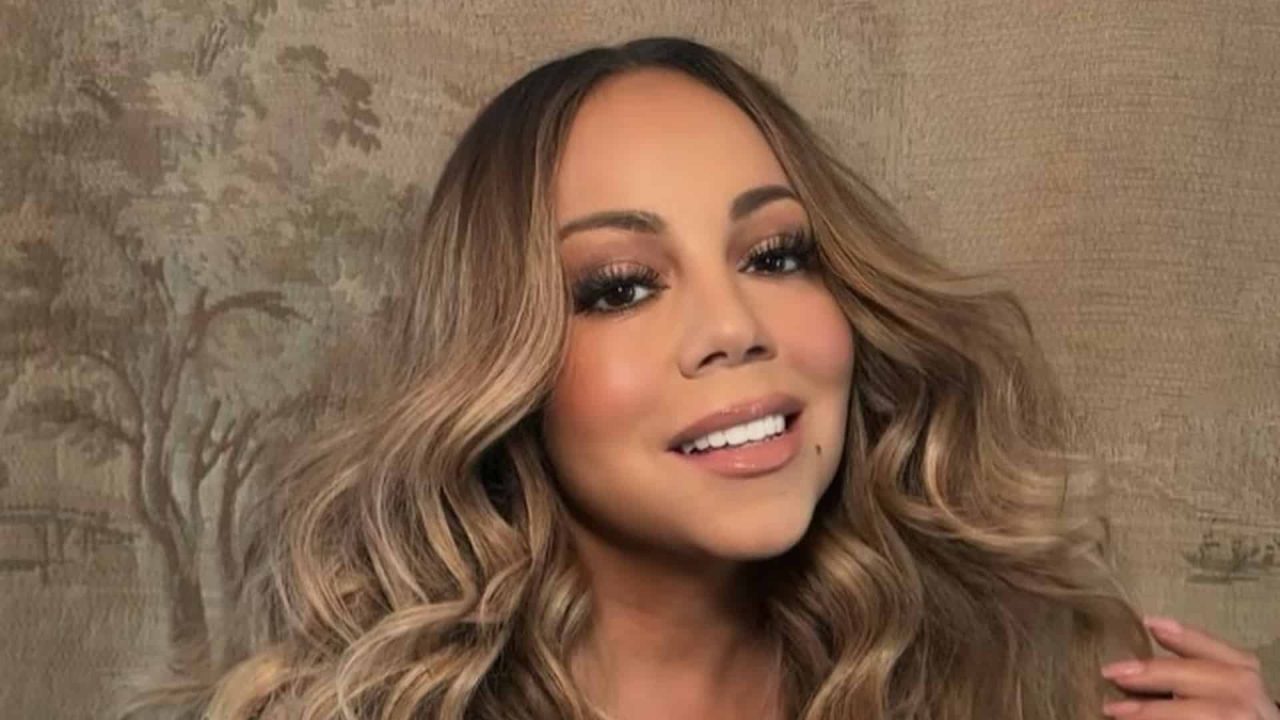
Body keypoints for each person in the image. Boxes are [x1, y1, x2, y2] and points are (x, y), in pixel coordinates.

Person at [119, 36, 1278, 720]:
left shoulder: (1023, 682)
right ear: (501, 369)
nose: (731, 327)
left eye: (774, 256)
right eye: (620, 286)